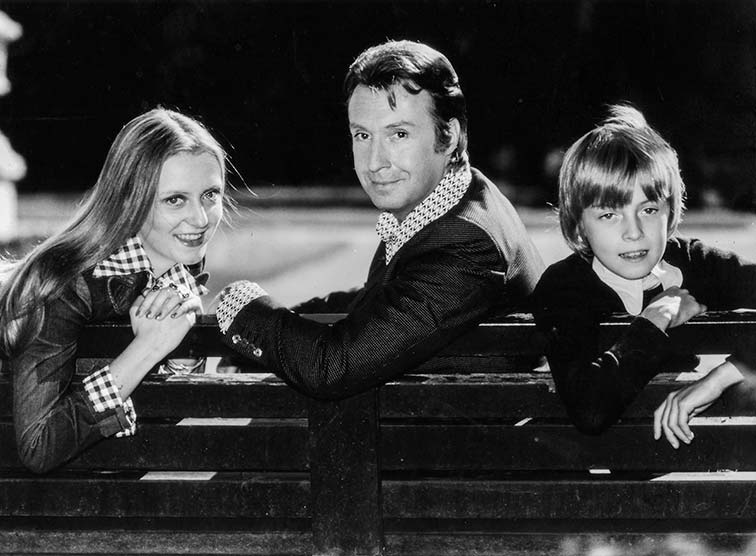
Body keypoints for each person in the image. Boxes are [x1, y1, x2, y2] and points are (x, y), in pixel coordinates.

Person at [215, 39, 544, 398]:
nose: (375, 162)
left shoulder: (465, 244)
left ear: (449, 135)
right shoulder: (466, 195)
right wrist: (264, 338)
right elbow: (383, 302)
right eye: (362, 135)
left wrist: (243, 306)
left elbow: (332, 368)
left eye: (399, 134)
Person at [0, 108, 226, 473]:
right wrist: (147, 349)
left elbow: (153, 422)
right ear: (129, 200)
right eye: (175, 199)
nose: (200, 219)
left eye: (210, 194)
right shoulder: (62, 283)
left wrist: (180, 360)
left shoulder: (177, 264)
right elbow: (39, 444)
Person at [531, 104, 756, 442]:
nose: (633, 232)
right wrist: (654, 320)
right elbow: (590, 411)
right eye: (609, 215)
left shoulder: (697, 264)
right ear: (579, 226)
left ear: (671, 211)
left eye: (649, 209)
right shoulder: (564, 286)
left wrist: (721, 378)